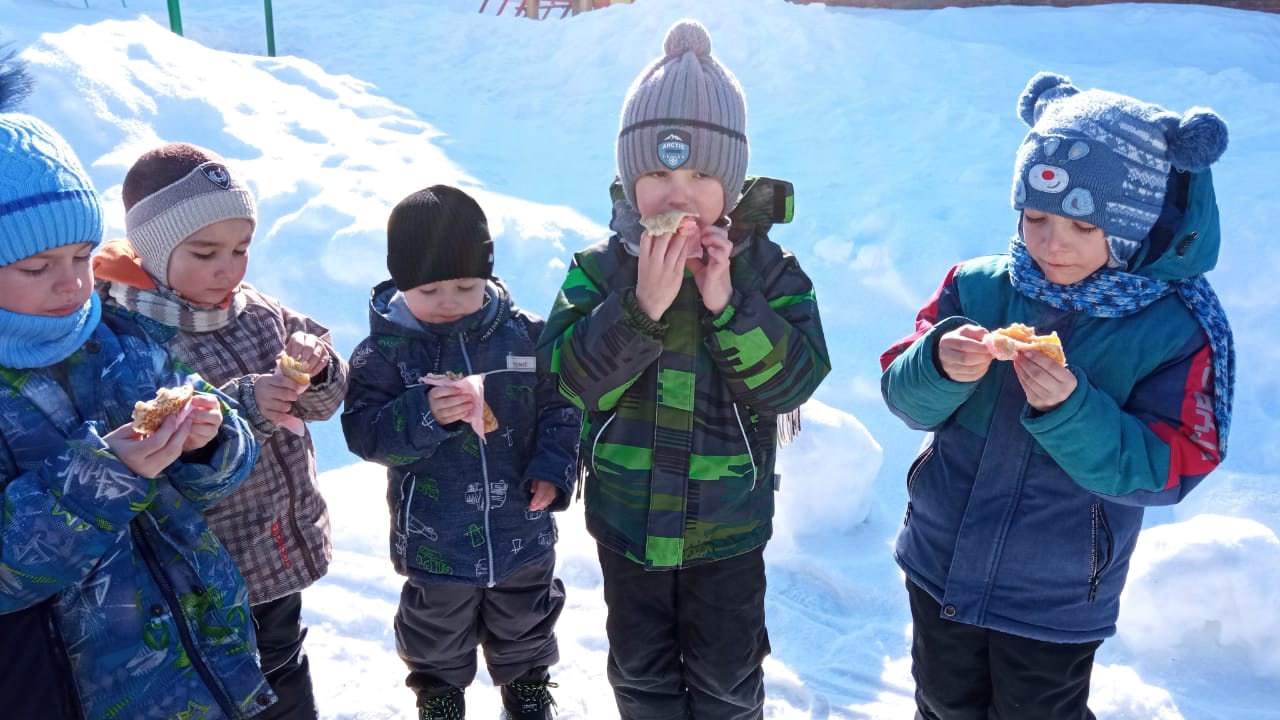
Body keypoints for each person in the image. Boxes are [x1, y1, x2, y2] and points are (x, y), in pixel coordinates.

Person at [879, 72, 1234, 720]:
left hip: (1056, 592)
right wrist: (937, 365)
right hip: (940, 558)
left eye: (1081, 226)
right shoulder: (977, 288)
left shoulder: (1172, 332)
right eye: (1036, 216)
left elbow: (1171, 467)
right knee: (941, 704)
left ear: (1129, 230)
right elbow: (904, 399)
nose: (1050, 242)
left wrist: (1072, 414)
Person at [537, 19, 830, 720]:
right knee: (640, 676)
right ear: (628, 180)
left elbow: (794, 383)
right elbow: (564, 383)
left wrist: (729, 305)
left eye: (700, 176)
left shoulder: (771, 273)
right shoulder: (600, 271)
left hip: (726, 527)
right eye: (658, 175)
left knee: (728, 677)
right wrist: (639, 308)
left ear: (730, 183)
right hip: (627, 521)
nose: (678, 194)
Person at [0, 64, 275, 720]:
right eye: (37, 266)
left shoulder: (120, 338)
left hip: (204, 665)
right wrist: (102, 476)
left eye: (82, 256)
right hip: (81, 690)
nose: (72, 284)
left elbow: (216, 472)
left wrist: (210, 440)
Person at [93, 141, 349, 719]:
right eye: (205, 252)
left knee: (284, 664)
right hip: (208, 569)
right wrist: (243, 406)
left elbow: (326, 402)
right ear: (153, 251)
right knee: (221, 683)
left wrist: (318, 366)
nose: (228, 268)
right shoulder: (132, 337)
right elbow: (155, 450)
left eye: (240, 248)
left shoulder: (257, 310)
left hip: (279, 548)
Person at [342, 185, 580, 720]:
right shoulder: (383, 353)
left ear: (487, 275)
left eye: (465, 286)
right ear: (402, 282)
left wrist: (552, 470)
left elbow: (562, 407)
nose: (448, 300)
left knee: (526, 614)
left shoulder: (525, 337)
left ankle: (527, 686)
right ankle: (439, 693)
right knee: (437, 626)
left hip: (523, 523)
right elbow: (364, 433)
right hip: (436, 533)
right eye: (429, 289)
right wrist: (425, 412)